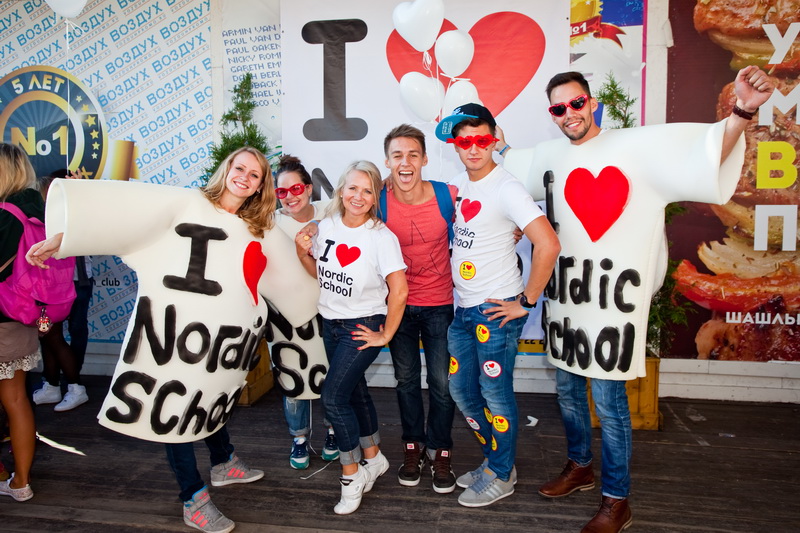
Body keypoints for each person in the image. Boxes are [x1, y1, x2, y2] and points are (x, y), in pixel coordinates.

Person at [499, 67, 774, 533]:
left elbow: (703, 156)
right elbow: (511, 167)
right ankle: (580, 467)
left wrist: (742, 112)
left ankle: (616, 500)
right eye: (559, 108)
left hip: (613, 308)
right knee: (567, 392)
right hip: (566, 303)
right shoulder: (548, 154)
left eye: (576, 103)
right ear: (552, 114)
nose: (569, 113)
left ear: (592, 103)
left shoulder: (636, 147)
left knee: (609, 404)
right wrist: (499, 146)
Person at [27, 146, 318, 533]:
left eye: (255, 175)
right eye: (240, 168)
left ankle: (223, 461)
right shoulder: (187, 202)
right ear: (226, 168)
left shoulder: (259, 226)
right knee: (174, 408)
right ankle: (193, 498)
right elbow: (125, 219)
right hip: (174, 338)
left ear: (260, 185)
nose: (244, 177)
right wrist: (65, 239)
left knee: (209, 397)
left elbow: (291, 280)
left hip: (221, 347)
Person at [434, 104, 561, 508]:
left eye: (481, 139)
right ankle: (495, 461)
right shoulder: (456, 185)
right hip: (463, 311)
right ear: (455, 145)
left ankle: (502, 473)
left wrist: (526, 301)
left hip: (496, 312)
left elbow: (548, 243)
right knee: (460, 389)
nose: (473, 148)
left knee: (495, 394)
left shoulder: (507, 187)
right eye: (464, 141)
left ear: (494, 139)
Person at [295, 160, 408, 515]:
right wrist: (301, 251)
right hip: (330, 323)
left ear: (376, 197)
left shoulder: (381, 237)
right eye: (353, 188)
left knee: (332, 398)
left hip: (362, 324)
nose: (358, 196)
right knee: (354, 392)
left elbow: (400, 291)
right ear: (342, 189)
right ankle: (374, 457)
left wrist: (385, 334)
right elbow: (317, 271)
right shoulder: (326, 225)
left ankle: (351, 474)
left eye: (367, 191)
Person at [380, 124, 458, 493]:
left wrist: (513, 228)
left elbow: (486, 215)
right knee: (406, 381)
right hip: (398, 306)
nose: (405, 162)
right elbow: (341, 212)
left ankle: (440, 450)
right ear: (387, 161)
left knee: (442, 384)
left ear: (425, 159)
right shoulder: (378, 200)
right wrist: (314, 227)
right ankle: (413, 446)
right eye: (397, 155)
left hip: (440, 304)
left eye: (413, 154)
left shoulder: (447, 195)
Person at [272, 154, 338, 469]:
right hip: (286, 316)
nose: (290, 197)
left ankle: (333, 432)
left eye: (296, 188)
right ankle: (298, 438)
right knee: (293, 379)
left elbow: (362, 214)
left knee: (332, 376)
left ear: (309, 188)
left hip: (330, 311)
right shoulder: (269, 222)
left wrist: (318, 224)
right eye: (282, 191)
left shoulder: (332, 211)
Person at [0, 143, 41, 502]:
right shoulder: (38, 210)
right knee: (17, 400)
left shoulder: (4, 216)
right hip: (24, 316)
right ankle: (21, 482)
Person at [32, 170, 92, 412]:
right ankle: (53, 384)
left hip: (76, 283)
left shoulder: (78, 214)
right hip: (48, 286)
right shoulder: (42, 215)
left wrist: (80, 196)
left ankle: (74, 386)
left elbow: (91, 225)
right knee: (48, 334)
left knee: (68, 333)